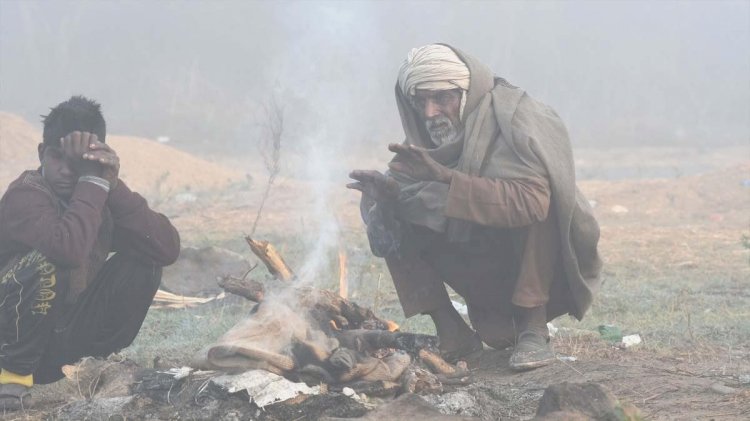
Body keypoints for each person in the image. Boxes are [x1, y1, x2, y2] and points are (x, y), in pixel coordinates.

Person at [348, 44, 602, 370]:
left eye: (442, 98)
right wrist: (384, 200)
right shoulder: (422, 145)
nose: (429, 113)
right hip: (475, 263)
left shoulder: (517, 117)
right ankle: (452, 332)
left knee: (544, 199)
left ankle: (533, 330)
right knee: (389, 204)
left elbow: (532, 201)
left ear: (467, 94)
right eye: (420, 100)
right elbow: (385, 237)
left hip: (531, 264)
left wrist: (445, 177)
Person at [0, 96, 180, 410]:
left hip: (57, 342)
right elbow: (66, 249)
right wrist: (93, 180)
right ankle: (12, 378)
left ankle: (96, 368)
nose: (69, 171)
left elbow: (165, 247)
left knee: (145, 263)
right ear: (42, 153)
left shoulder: (94, 191)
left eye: (80, 162)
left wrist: (110, 183)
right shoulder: (25, 195)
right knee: (46, 261)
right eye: (59, 157)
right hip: (9, 342)